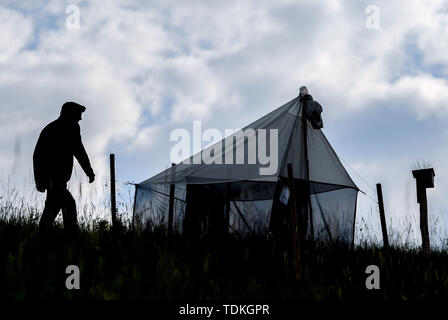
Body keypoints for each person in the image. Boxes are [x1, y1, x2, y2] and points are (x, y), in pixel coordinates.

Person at [33, 101, 95, 237]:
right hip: (54, 179)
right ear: (69, 113)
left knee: (52, 208)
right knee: (69, 205)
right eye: (78, 114)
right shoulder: (61, 128)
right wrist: (40, 180)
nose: (80, 118)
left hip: (57, 179)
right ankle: (71, 237)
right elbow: (38, 155)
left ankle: (41, 239)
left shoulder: (66, 127)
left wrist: (89, 171)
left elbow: (78, 150)